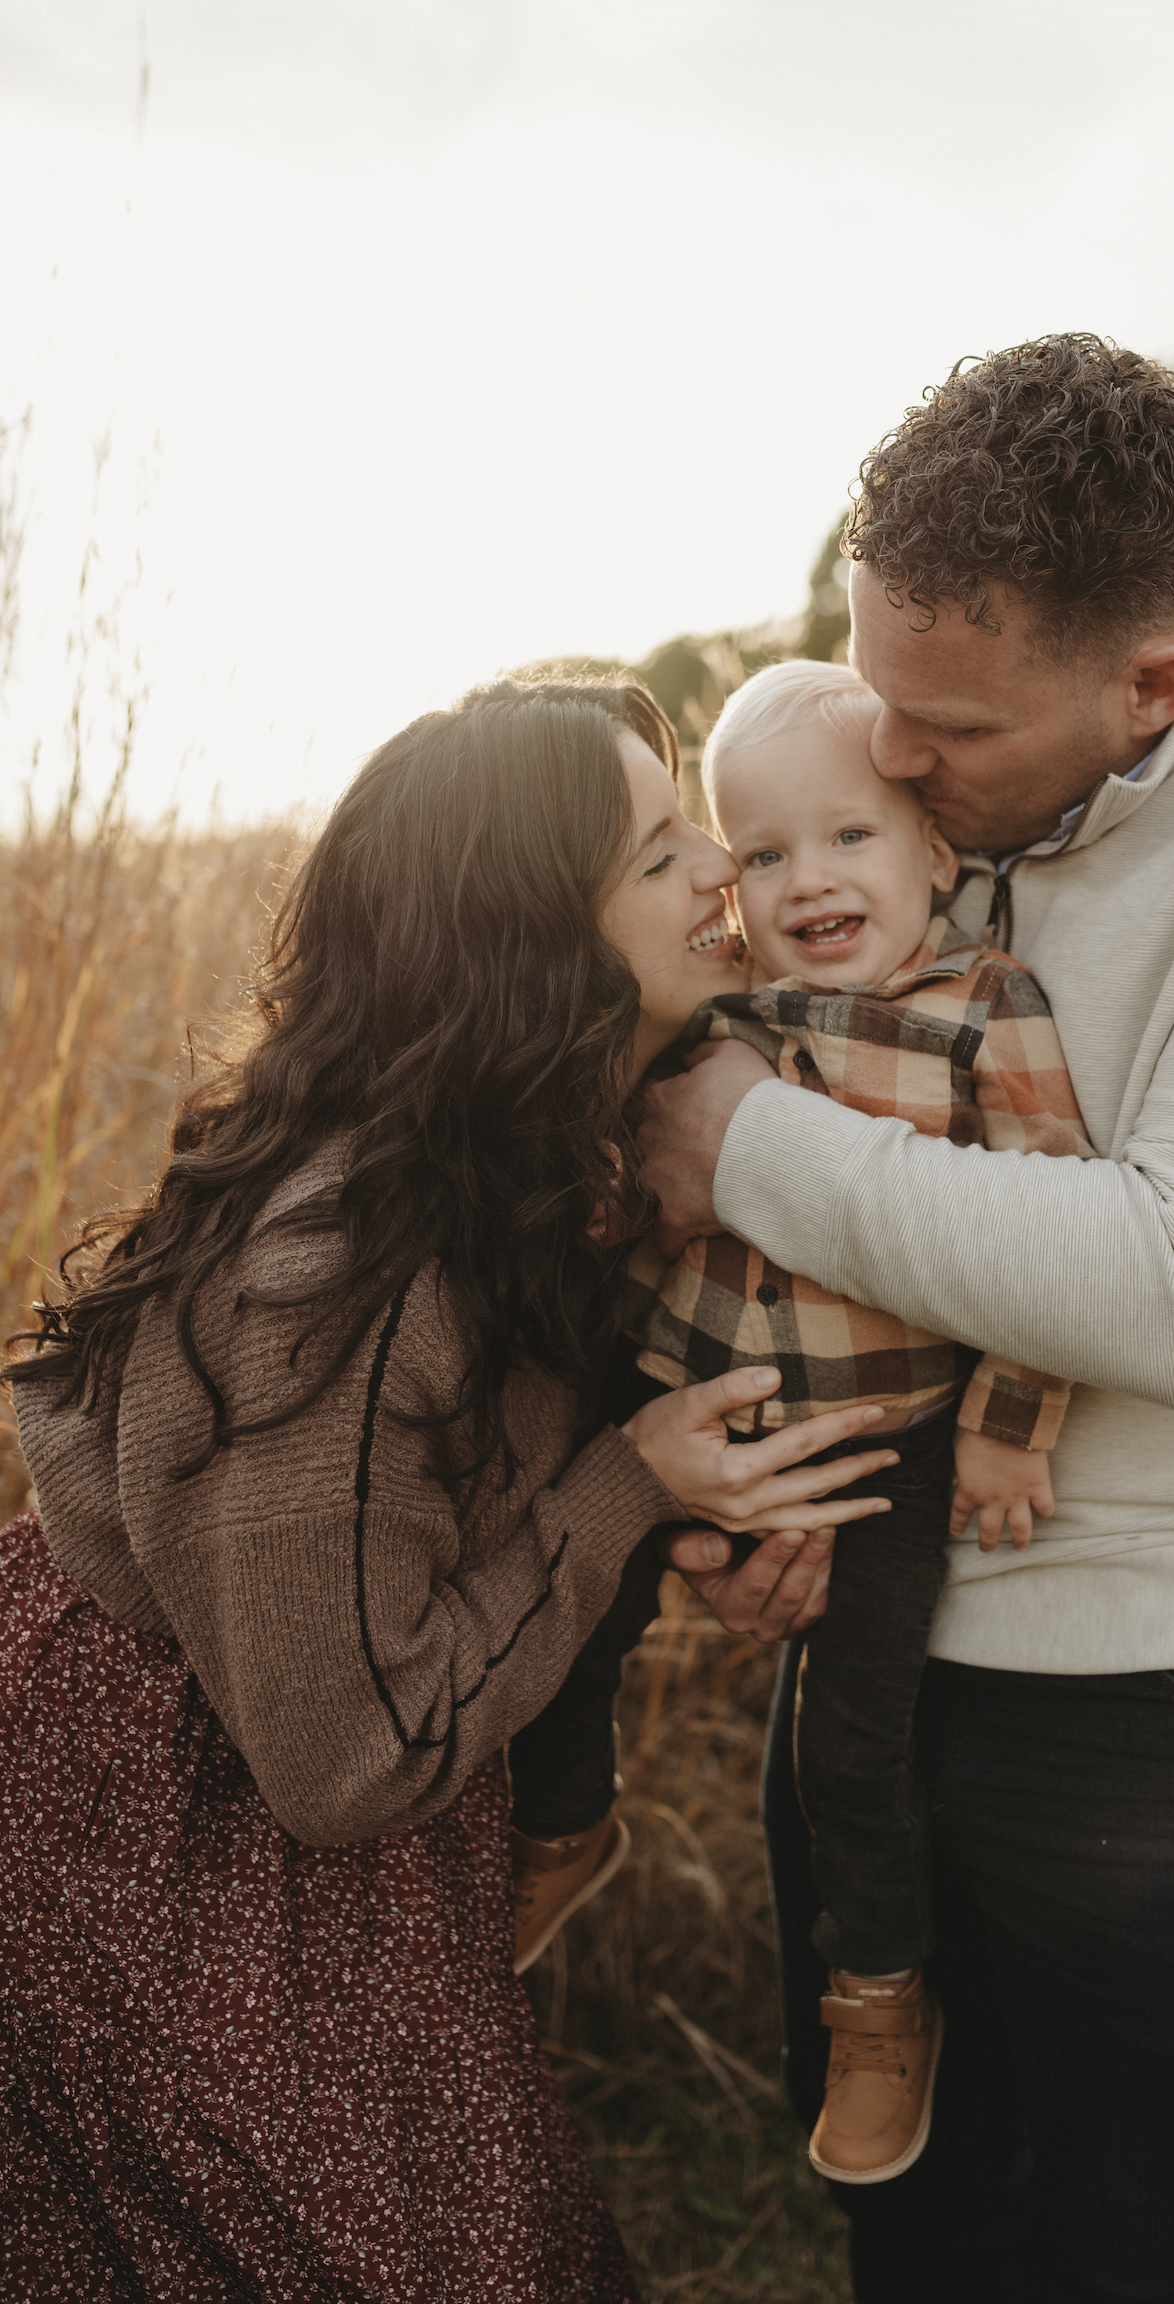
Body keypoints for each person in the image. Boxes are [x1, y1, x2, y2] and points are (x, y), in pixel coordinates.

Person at [637, 337, 1174, 2301]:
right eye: (873, 693)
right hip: (878, 1639)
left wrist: (740, 1142)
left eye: (941, 725)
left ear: (1149, 683)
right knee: (913, 2236)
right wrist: (743, 1491)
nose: (887, 761)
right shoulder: (918, 815)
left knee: (1139, 2254)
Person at [0, 677, 895, 2303]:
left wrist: (729, 1521)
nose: (721, 868)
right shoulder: (338, 1277)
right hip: (179, 1832)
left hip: (312, 1793)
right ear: (524, 938)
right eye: (654, 851)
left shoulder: (550, 1157)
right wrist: (631, 1488)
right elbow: (343, 1761)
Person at [513, 657, 1092, 2189]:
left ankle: (878, 1999)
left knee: (857, 1746)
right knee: (572, 1623)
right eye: (761, 855)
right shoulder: (714, 1016)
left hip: (883, 1444)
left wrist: (1007, 1424)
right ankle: (564, 1827)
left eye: (847, 839)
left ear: (934, 858)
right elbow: (630, 1197)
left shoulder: (986, 1011)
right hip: (683, 1399)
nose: (804, 879)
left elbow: (1055, 1228)